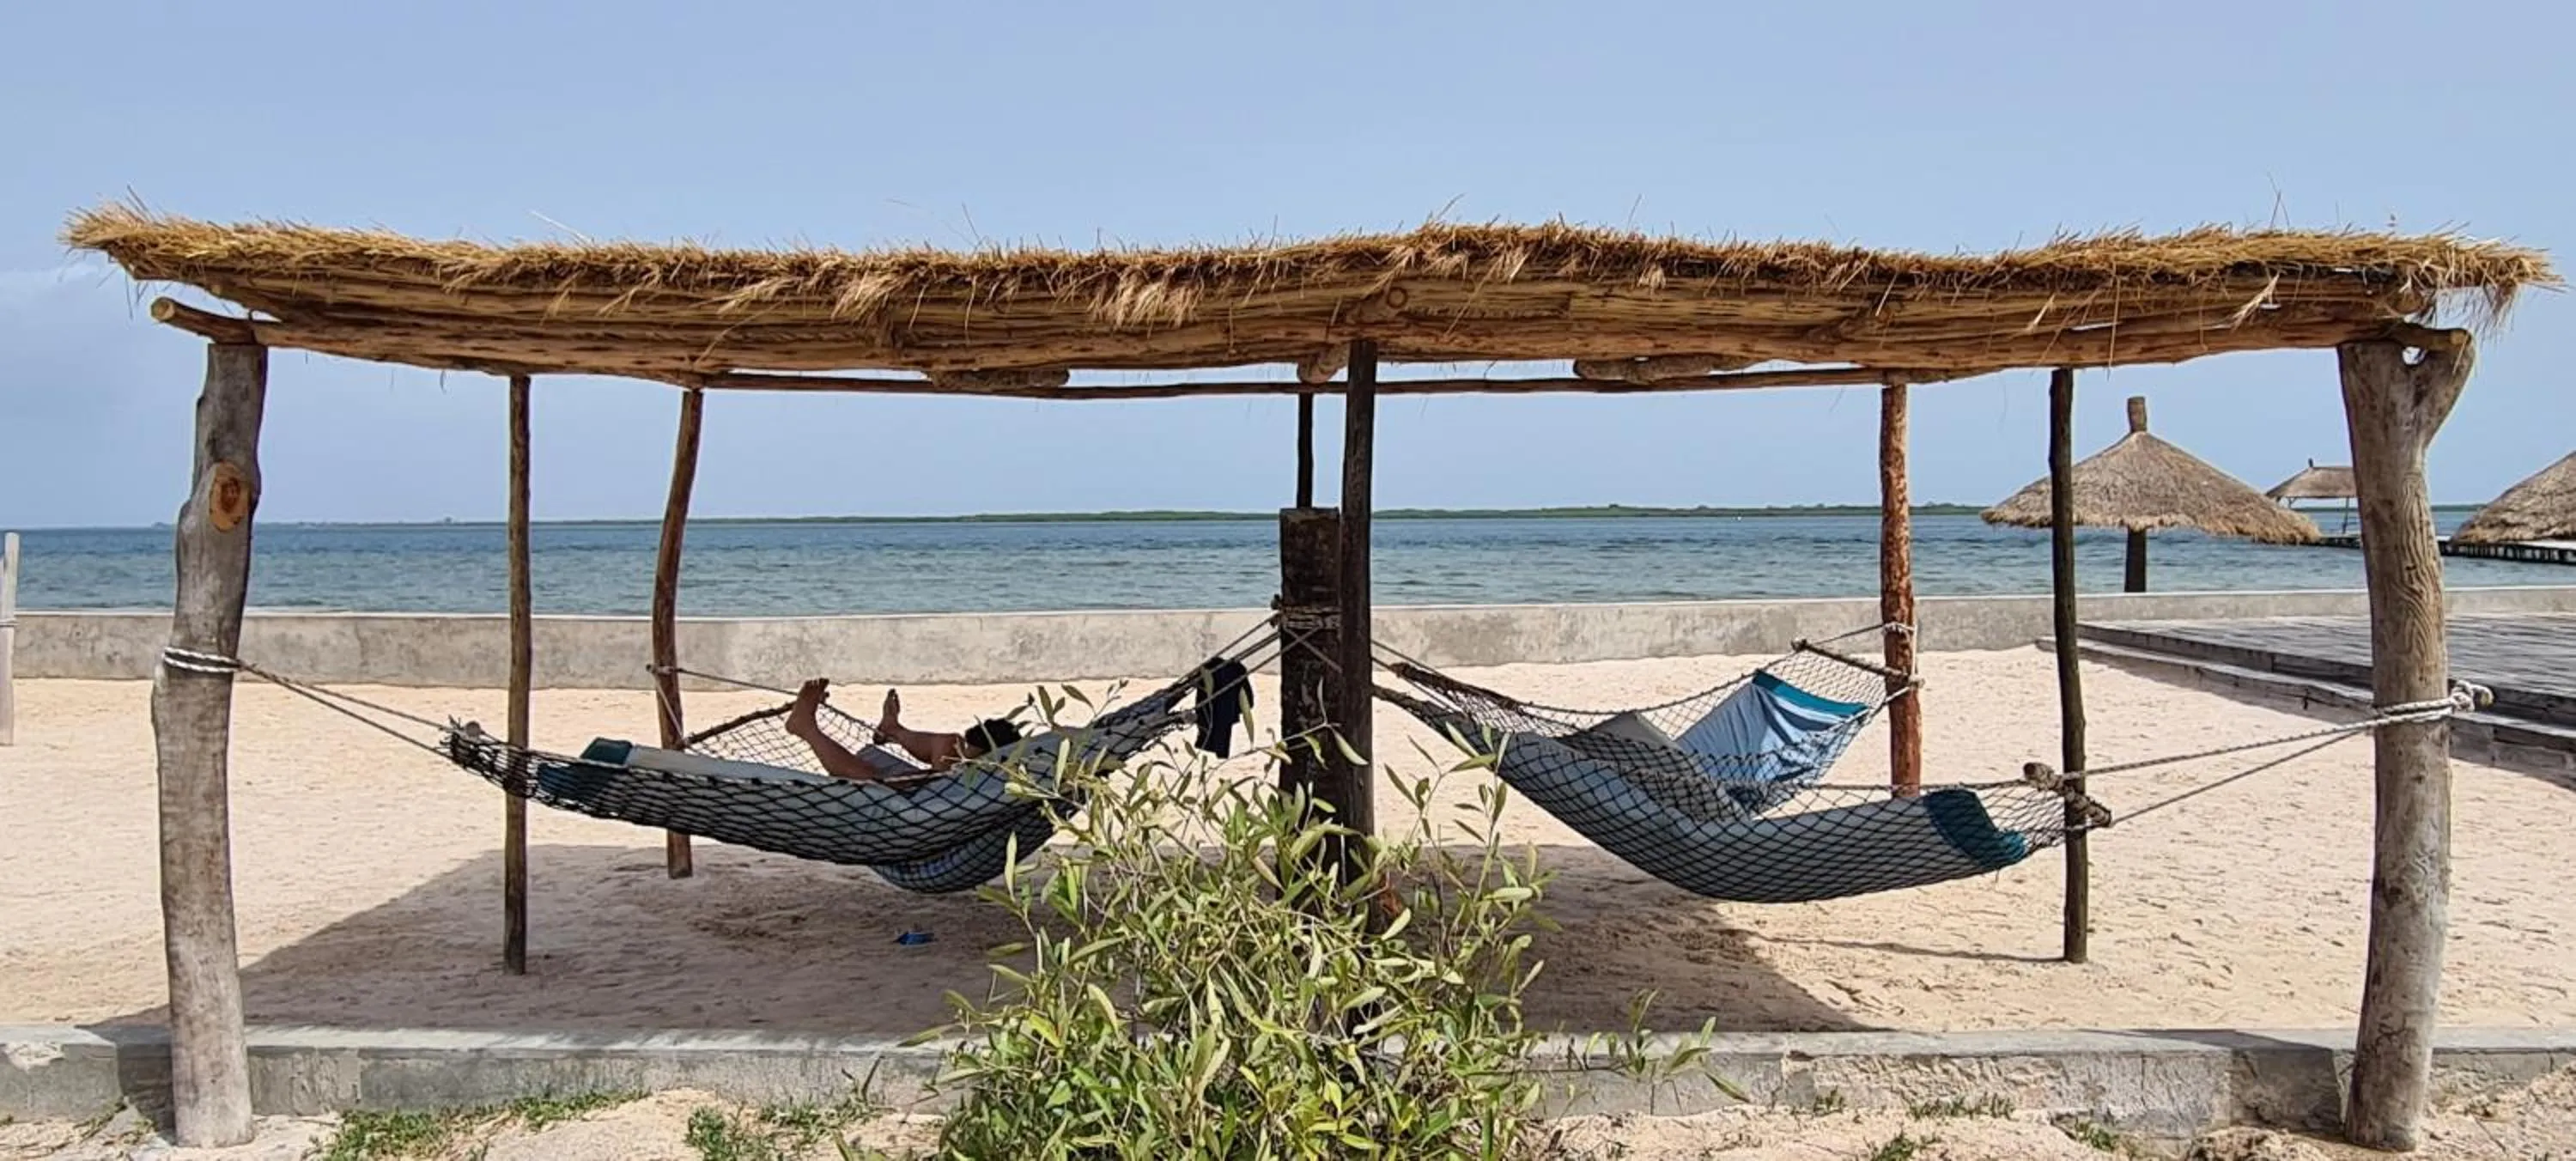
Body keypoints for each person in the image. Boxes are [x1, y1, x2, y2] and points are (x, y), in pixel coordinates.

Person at [784, 678, 1023, 782]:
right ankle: (894, 730)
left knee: (867, 775)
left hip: (924, 804)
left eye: (971, 748)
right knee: (949, 743)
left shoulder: (989, 777)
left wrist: (916, 780)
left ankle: (806, 728)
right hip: (941, 787)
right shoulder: (987, 770)